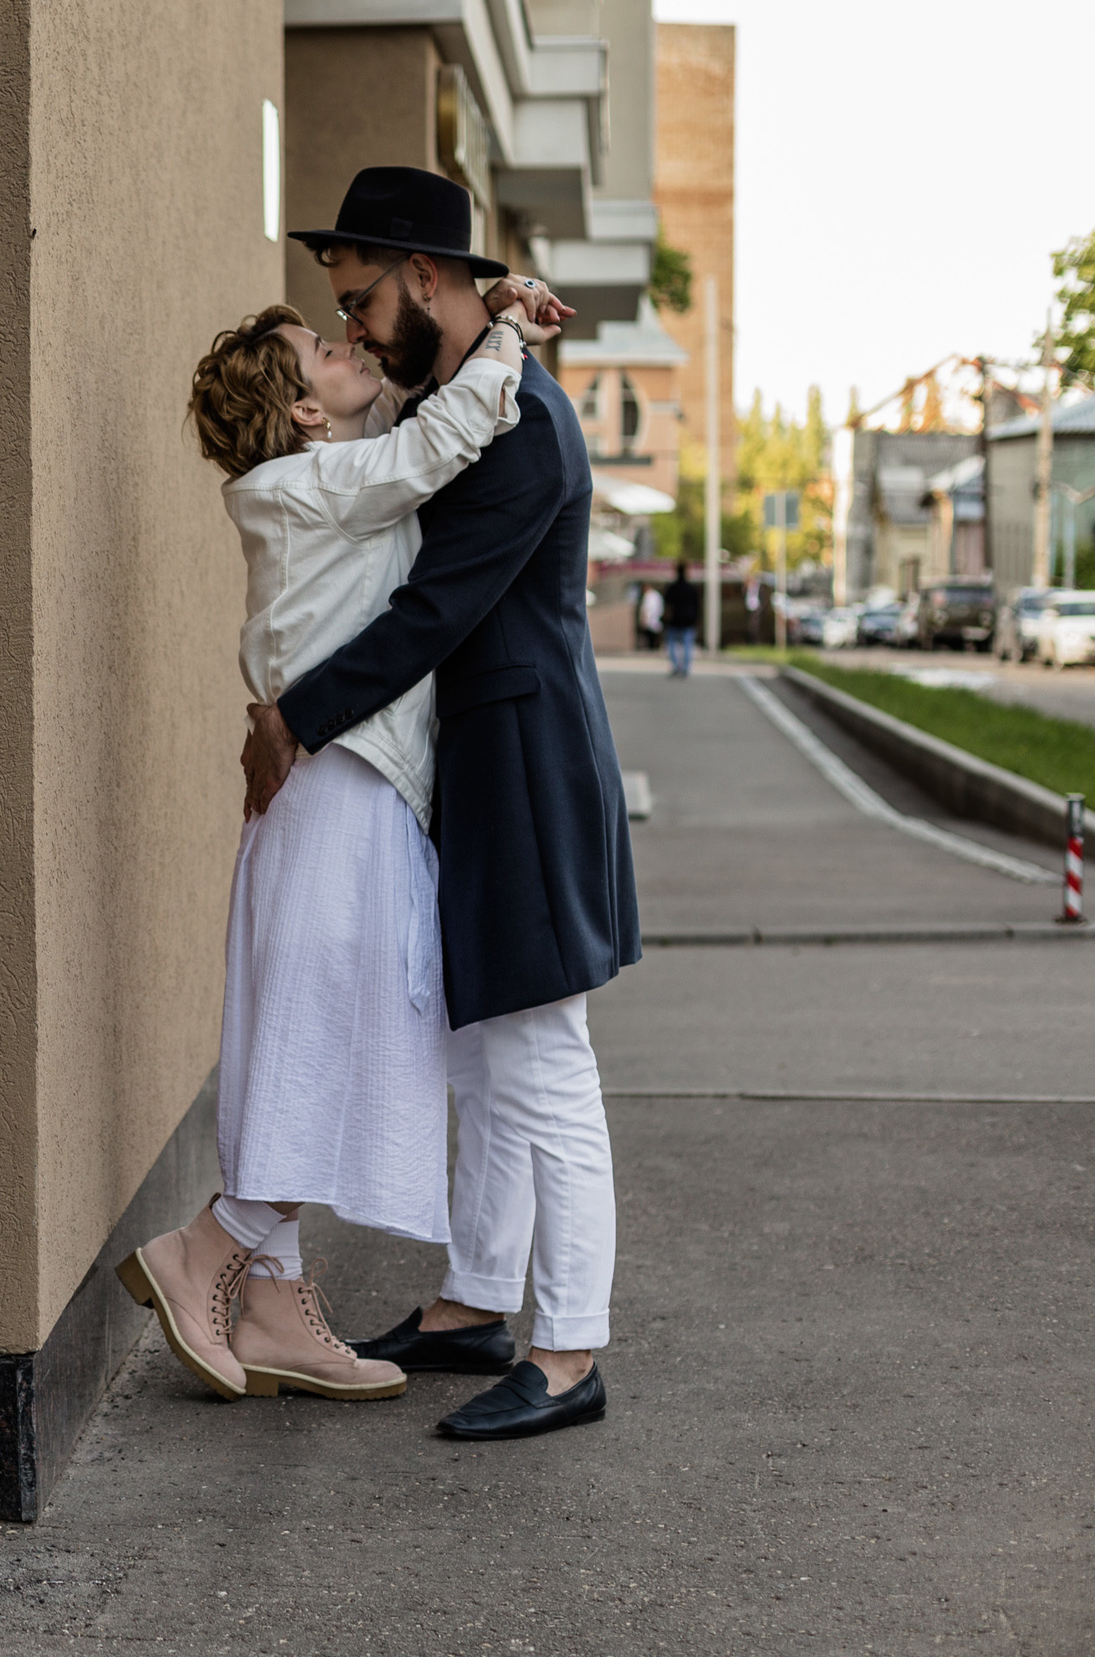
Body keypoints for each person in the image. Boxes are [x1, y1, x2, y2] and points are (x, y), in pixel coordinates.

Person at [118, 271, 567, 1406]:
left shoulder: (319, 479)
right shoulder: (313, 484)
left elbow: (416, 431)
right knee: (335, 1033)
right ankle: (206, 1251)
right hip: (343, 794)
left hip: (335, 790)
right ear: (306, 412)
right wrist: (505, 329)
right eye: (321, 348)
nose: (346, 342)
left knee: (303, 1035)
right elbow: (442, 442)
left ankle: (275, 1308)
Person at [243, 165, 642, 1442]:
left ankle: (568, 1353)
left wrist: (293, 715)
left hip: (522, 767)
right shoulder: (465, 392)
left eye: (360, 300)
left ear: (424, 277)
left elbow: (435, 610)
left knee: (540, 1064)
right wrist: (506, 304)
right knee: (481, 1055)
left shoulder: (518, 423)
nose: (353, 329)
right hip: (476, 768)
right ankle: (473, 1306)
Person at [663, 560, 702, 676]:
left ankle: (676, 666)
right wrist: (697, 619)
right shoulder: (691, 588)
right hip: (688, 620)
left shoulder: (672, 587)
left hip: (675, 620)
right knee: (687, 645)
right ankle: (685, 668)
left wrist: (666, 618)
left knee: (672, 645)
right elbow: (697, 606)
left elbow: (668, 605)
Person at [637, 581, 665, 651]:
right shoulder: (657, 595)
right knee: (654, 637)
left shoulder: (648, 596)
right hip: (656, 619)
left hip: (650, 620)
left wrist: (643, 619)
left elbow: (646, 609)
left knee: (650, 638)